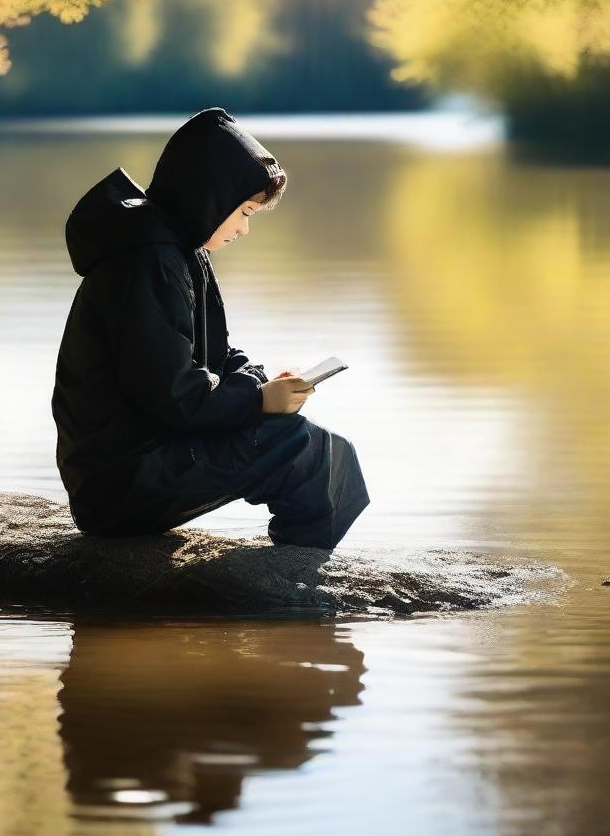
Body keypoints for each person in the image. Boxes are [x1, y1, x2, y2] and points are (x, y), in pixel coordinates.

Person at [51, 106, 371, 549]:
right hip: (119, 482)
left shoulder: (180, 249)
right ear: (209, 198)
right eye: (244, 212)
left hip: (150, 458)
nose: (244, 229)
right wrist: (256, 402)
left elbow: (214, 354)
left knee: (331, 451)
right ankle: (294, 586)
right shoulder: (147, 261)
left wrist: (262, 383)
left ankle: (295, 579)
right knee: (304, 450)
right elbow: (174, 394)